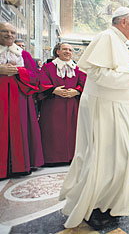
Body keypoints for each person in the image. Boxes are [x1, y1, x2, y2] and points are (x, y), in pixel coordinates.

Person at [59, 7, 129, 229]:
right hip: (103, 109)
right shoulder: (106, 38)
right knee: (101, 159)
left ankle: (107, 204)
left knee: (118, 158)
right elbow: (97, 73)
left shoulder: (119, 43)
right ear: (123, 22)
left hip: (115, 108)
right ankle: (92, 207)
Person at [0, 22, 44, 179]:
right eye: (5, 31)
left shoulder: (23, 55)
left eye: (12, 32)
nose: (9, 35)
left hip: (19, 99)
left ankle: (20, 166)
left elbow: (36, 77)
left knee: (20, 130)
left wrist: (19, 71)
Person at [38, 43, 86, 164]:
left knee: (73, 130)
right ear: (57, 51)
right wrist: (53, 90)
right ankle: (53, 158)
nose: (68, 52)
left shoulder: (78, 69)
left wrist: (76, 91)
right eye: (64, 49)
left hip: (72, 104)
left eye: (70, 50)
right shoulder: (47, 67)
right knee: (53, 130)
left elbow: (84, 82)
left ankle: (72, 157)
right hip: (53, 104)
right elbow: (41, 82)